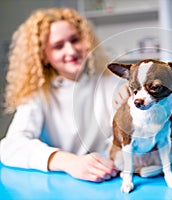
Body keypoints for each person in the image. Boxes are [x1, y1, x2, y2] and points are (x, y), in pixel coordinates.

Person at [0, 8, 121, 182]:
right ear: (44, 56)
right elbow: (11, 146)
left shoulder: (109, 83)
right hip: (60, 182)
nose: (71, 51)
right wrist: (69, 162)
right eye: (58, 46)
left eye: (75, 40)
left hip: (109, 177)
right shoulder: (39, 94)